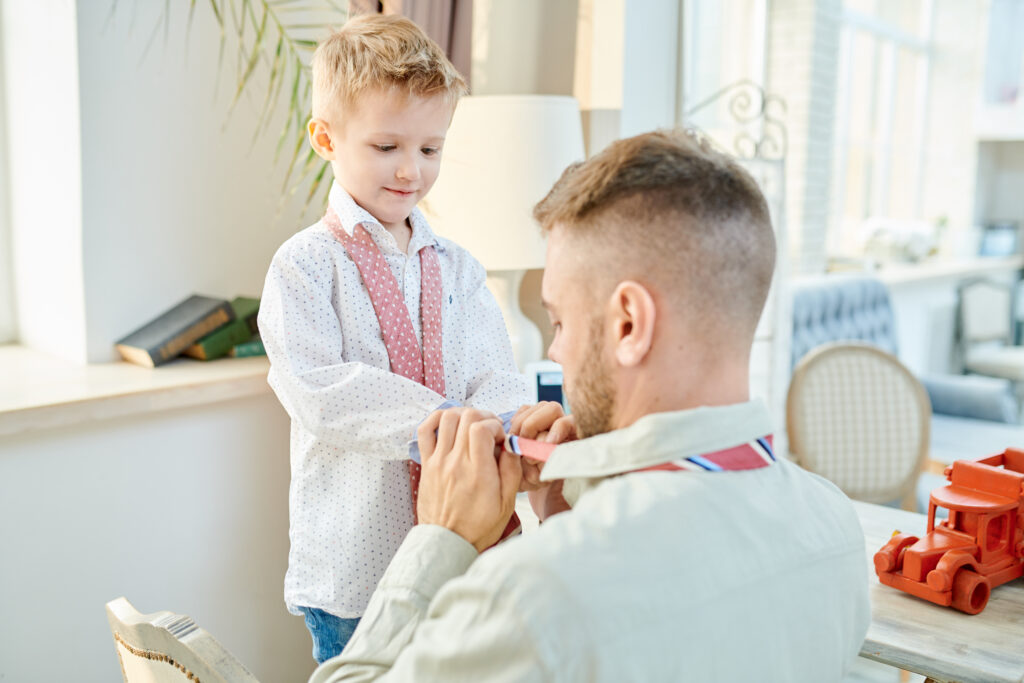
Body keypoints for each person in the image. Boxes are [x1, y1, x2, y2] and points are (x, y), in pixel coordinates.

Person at [308, 129, 872, 682]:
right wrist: (566, 519)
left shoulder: (533, 596)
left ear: (629, 323)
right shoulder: (836, 527)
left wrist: (441, 537)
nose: (555, 348)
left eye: (559, 320)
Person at [258, 14, 529, 663]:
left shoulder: (460, 267)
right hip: (355, 571)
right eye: (387, 147)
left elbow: (496, 374)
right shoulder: (304, 266)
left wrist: (508, 423)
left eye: (430, 149)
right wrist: (447, 428)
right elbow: (322, 391)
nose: (412, 170)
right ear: (326, 138)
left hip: (460, 560)